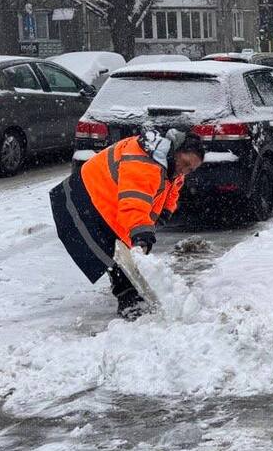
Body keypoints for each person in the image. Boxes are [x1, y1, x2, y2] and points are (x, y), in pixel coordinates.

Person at [49, 128, 205, 318]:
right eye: (185, 163)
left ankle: (131, 297)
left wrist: (165, 210)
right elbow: (134, 200)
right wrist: (142, 233)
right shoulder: (145, 160)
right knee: (114, 255)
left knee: (124, 253)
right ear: (177, 150)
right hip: (84, 200)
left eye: (191, 169)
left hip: (109, 203)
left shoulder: (168, 161)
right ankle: (130, 303)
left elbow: (173, 186)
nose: (184, 170)